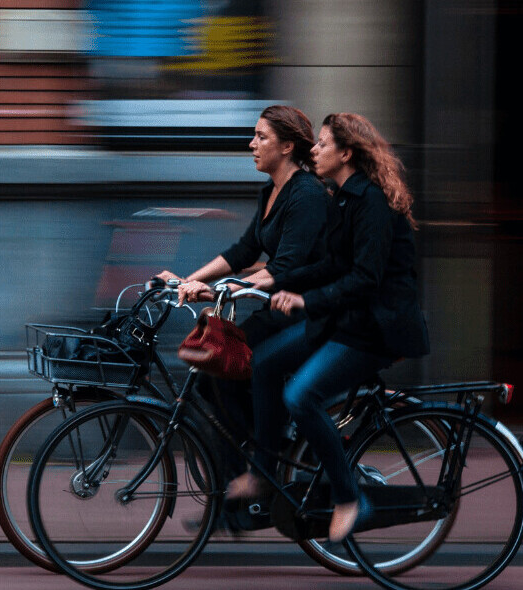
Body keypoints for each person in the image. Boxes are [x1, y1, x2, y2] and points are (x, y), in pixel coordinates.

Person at [227, 112, 430, 543]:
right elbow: (331, 264)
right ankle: (264, 473)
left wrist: (304, 299)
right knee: (261, 362)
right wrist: (278, 281)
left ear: (347, 153)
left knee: (300, 395)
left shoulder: (371, 201)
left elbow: (365, 278)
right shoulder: (341, 196)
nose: (313, 151)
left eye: (322, 144)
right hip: (344, 320)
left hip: (375, 329)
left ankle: (351, 498)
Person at [158, 105, 329, 348]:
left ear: (287, 146)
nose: (252, 144)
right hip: (277, 307)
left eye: (262, 137)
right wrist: (186, 282)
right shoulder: (270, 190)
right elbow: (244, 252)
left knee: (227, 364)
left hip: (306, 312)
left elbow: (284, 267)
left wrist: (223, 289)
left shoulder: (307, 194)